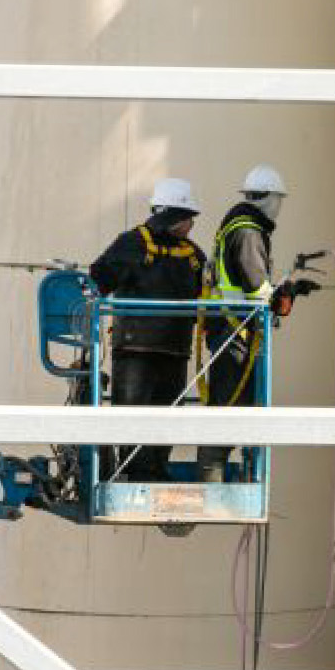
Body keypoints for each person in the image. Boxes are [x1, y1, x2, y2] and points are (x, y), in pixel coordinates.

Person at [196, 165, 318, 482]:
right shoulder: (248, 231)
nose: (279, 207)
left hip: (230, 327)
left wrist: (289, 290)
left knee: (232, 402)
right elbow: (257, 290)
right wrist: (285, 294)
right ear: (269, 199)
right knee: (230, 402)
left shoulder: (238, 226)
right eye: (279, 200)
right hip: (234, 331)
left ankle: (217, 472)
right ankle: (211, 479)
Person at [89, 178, 206, 482]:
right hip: (140, 349)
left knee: (164, 413)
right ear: (171, 215)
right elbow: (99, 279)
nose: (190, 223)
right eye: (186, 217)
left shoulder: (192, 254)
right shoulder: (134, 244)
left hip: (168, 347)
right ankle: (136, 472)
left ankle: (154, 470)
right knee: (136, 413)